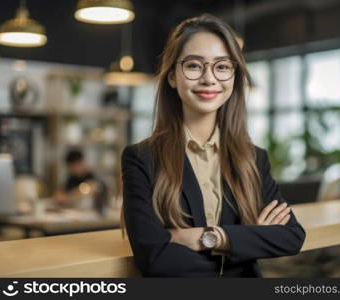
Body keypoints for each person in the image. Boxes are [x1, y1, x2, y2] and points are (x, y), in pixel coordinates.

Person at [121, 14, 306, 277]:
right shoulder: (142, 158)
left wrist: (209, 237)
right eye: (194, 66)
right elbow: (153, 256)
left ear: (234, 76)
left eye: (222, 66)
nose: (209, 79)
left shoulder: (253, 158)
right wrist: (245, 239)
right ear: (172, 76)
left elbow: (291, 236)